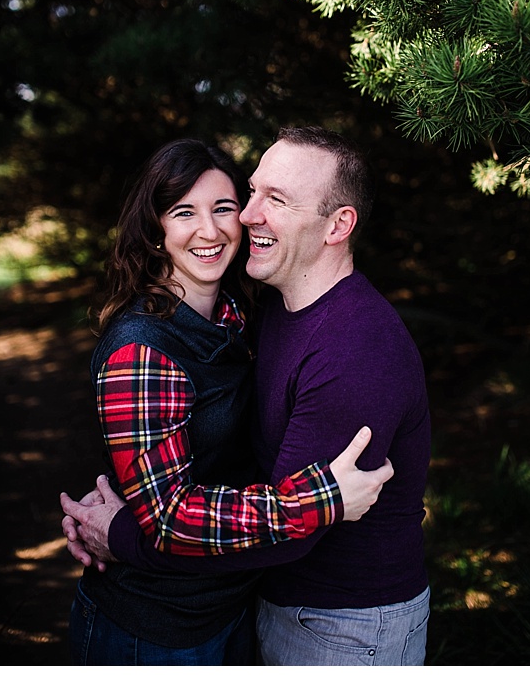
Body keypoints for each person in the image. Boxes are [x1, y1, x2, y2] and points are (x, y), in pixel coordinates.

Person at [63, 126, 431, 666]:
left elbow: (291, 533)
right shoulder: (264, 315)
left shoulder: (346, 346)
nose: (248, 216)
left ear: (338, 225)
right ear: (154, 225)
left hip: (340, 624)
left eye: (269, 200)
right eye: (253, 192)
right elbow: (179, 487)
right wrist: (124, 516)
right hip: (162, 623)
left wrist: (121, 535)